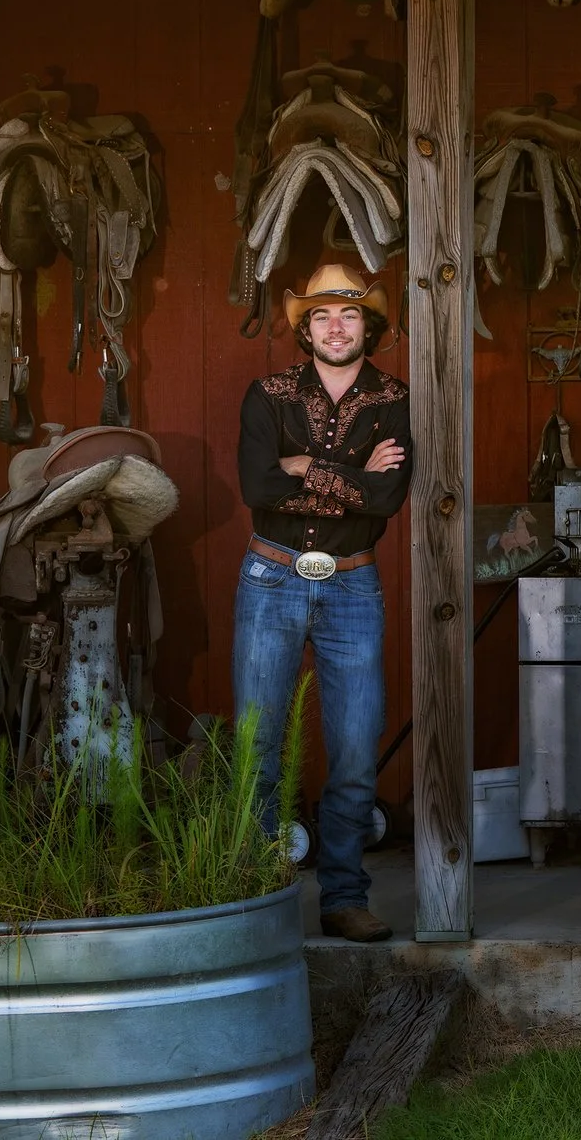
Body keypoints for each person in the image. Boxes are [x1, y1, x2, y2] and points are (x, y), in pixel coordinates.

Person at [233, 263, 412, 944]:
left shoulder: (394, 400)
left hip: (353, 586)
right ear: (306, 329)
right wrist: (352, 478)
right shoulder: (268, 395)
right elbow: (257, 487)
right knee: (260, 744)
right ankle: (259, 900)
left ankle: (343, 897)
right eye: (322, 316)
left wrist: (303, 466)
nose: (336, 327)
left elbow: (387, 499)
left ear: (370, 325)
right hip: (271, 577)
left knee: (356, 749)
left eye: (349, 314)